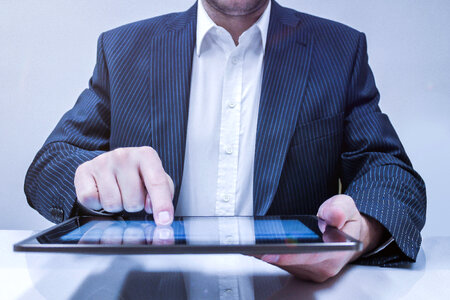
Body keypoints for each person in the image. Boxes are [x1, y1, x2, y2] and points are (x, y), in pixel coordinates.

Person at [24, 0, 426, 282]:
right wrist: (88, 178)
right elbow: (49, 164)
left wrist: (361, 234)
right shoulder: (123, 49)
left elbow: (389, 170)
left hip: (288, 291)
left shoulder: (339, 50)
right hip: (148, 288)